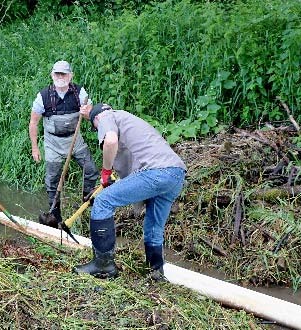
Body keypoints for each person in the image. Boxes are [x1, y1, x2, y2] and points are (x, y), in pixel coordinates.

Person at [73, 103, 187, 280]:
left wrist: (106, 172)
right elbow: (135, 174)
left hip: (156, 172)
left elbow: (110, 141)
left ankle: (104, 266)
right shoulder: (130, 121)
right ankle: (155, 271)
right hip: (176, 174)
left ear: (96, 120)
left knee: (103, 201)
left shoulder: (105, 117)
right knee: (154, 225)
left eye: (96, 128)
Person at [29, 60, 98, 225]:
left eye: (64, 74)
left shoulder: (79, 93)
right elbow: (33, 123)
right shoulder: (43, 96)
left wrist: (87, 112)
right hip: (53, 143)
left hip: (75, 140)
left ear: (70, 76)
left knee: (91, 170)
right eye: (57, 74)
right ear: (52, 75)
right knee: (52, 179)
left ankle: (87, 200)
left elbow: (91, 114)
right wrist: (35, 148)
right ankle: (55, 214)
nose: (60, 77)